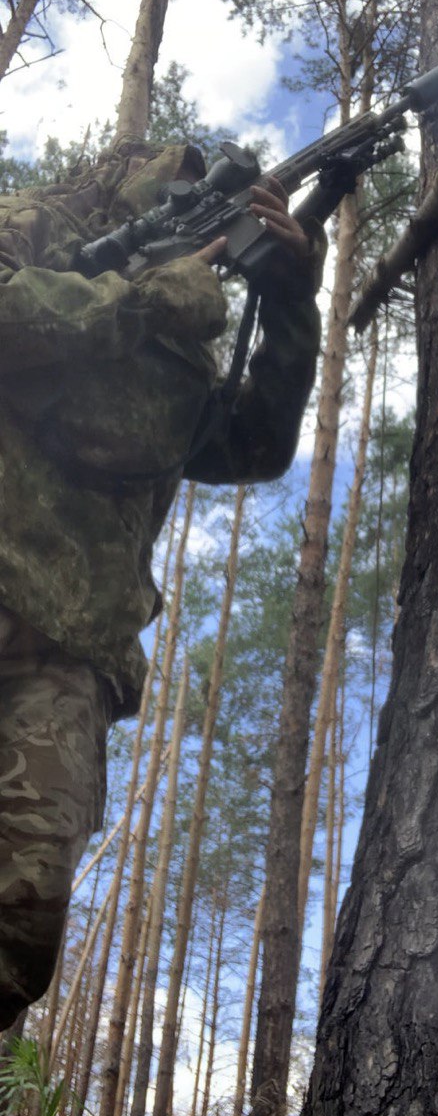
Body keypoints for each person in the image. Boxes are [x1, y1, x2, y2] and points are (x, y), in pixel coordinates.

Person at [0, 137, 324, 1029]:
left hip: (71, 650)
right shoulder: (42, 223)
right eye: (190, 184)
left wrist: (291, 302)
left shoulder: (187, 336)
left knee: (22, 916)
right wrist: (141, 302)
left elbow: (254, 445)